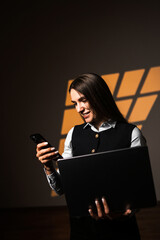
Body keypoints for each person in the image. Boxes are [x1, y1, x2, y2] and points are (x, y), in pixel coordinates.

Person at [36, 73, 146, 240]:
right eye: (75, 103)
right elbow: (61, 189)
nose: (79, 109)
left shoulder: (131, 133)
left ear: (99, 96)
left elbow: (140, 190)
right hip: (82, 231)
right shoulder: (73, 134)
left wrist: (125, 213)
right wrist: (48, 167)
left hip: (121, 231)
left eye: (83, 100)